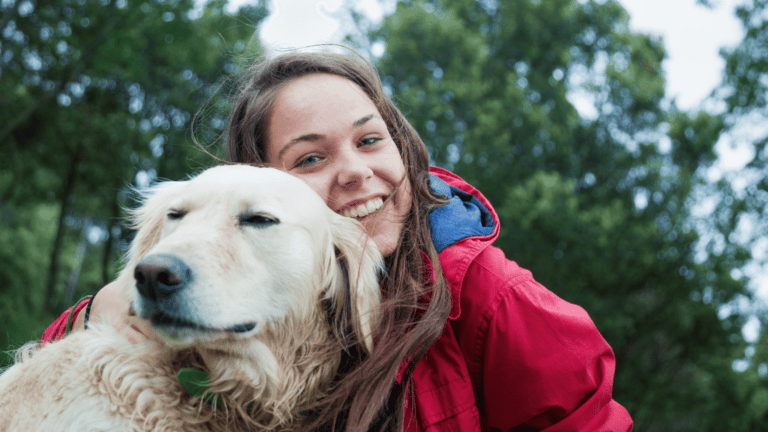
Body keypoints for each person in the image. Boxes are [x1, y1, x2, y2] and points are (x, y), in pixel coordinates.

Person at [43, 48, 633, 431]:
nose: (354, 171)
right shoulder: (219, 292)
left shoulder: (489, 296)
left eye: (370, 140)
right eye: (312, 157)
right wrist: (100, 308)